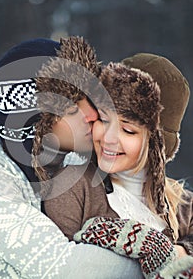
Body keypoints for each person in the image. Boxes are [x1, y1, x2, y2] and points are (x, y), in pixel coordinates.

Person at [0, 36, 143, 278]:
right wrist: (161, 263)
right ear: (36, 118)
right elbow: (66, 269)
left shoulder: (74, 166)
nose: (92, 114)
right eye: (72, 106)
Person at [42, 57, 193, 278]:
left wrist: (174, 254)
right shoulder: (74, 186)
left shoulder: (182, 204)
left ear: (155, 146)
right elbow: (55, 268)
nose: (109, 138)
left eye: (128, 130)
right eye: (103, 120)